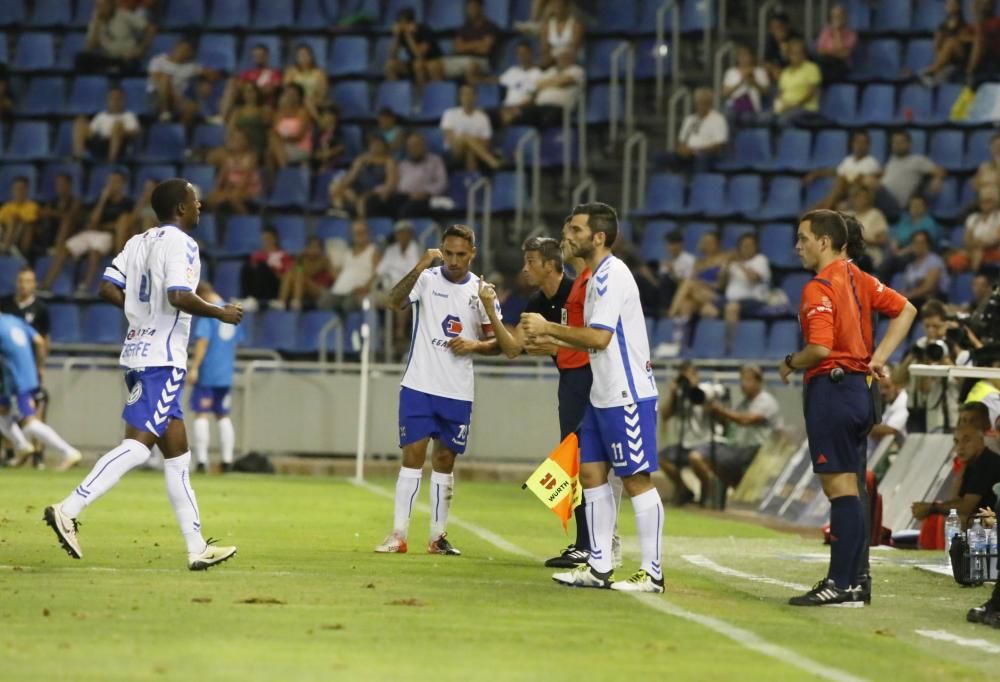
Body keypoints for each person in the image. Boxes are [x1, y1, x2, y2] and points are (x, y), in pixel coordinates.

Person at [44, 178, 243, 570]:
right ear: (181, 209)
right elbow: (178, 296)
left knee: (178, 457)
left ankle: (196, 546)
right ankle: (68, 508)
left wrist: (139, 317)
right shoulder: (183, 243)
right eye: (195, 200)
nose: (200, 206)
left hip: (137, 351)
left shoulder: (137, 241)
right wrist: (222, 312)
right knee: (137, 446)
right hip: (163, 358)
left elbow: (107, 287)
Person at [521, 202, 664, 594]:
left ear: (598, 237)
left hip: (626, 392)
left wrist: (549, 328)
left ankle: (652, 572)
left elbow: (599, 338)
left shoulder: (612, 276)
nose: (569, 236)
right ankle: (598, 565)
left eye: (577, 230)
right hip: (601, 394)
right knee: (591, 475)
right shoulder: (596, 276)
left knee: (635, 479)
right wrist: (551, 338)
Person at [779, 209, 916, 606]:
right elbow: (906, 309)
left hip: (832, 389)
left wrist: (789, 362)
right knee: (852, 486)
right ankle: (857, 579)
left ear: (824, 242)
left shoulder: (819, 286)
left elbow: (819, 348)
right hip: (860, 390)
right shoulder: (861, 278)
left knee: (840, 489)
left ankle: (840, 583)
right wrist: (879, 358)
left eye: (803, 238)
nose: (798, 246)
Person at [374, 224, 500, 556]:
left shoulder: (482, 291)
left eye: (461, 254)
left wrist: (474, 344)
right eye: (449, 253)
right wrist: (419, 266)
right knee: (412, 457)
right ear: (441, 250)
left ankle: (438, 536)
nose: (454, 261)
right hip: (419, 384)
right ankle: (399, 533)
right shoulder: (427, 280)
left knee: (444, 461)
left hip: (457, 390)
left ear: (473, 253)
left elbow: (500, 343)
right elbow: (393, 301)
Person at [479, 236, 596, 568]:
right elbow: (514, 348)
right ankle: (587, 543)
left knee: (588, 462)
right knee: (572, 460)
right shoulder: (534, 302)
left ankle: (592, 544)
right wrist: (491, 310)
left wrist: (558, 345)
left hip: (593, 380)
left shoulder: (578, 293)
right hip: (570, 383)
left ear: (549, 264)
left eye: (531, 261)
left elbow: (597, 340)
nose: (524, 268)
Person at [0, 312, 81, 470]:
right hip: (26, 374)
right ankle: (22, 446)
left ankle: (69, 452)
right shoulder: (13, 320)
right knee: (2, 411)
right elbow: (39, 340)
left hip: (16, 379)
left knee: (29, 423)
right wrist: (39, 366)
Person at [0, 268, 56, 469]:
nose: (24, 285)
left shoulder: (40, 309)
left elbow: (44, 339)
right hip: (6, 369)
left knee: (32, 410)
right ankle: (10, 452)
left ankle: (37, 454)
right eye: (21, 280)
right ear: (17, 282)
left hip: (28, 369)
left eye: (28, 281)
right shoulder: (5, 304)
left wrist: (41, 365)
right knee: (5, 408)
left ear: (34, 284)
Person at [44, 171, 133, 296]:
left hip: (108, 236)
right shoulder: (100, 200)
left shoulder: (127, 203)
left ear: (122, 185)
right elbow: (93, 222)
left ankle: (84, 288)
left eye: (115, 182)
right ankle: (46, 285)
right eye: (110, 182)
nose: (112, 185)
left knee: (94, 252)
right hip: (91, 233)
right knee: (64, 249)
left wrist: (104, 226)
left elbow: (122, 225)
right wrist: (103, 200)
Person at [188, 281, 243, 474]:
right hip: (225, 374)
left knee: (201, 414)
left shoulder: (209, 313)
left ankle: (202, 461)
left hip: (208, 373)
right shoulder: (233, 311)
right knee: (223, 416)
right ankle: (227, 460)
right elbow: (236, 344)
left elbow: (202, 343)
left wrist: (194, 368)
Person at [704, 365, 783, 489]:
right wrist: (714, 411)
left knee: (722, 458)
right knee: (711, 454)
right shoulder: (744, 403)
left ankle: (738, 487)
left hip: (761, 448)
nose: (743, 384)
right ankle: (737, 487)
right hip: (742, 448)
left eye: (748, 380)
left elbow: (745, 420)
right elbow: (731, 422)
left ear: (759, 382)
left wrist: (720, 409)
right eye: (741, 380)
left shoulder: (766, 400)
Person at [912, 423, 1000, 530]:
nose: (960, 447)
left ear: (981, 441)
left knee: (961, 520)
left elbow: (966, 508)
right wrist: (961, 472)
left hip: (995, 522)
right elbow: (956, 500)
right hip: (990, 520)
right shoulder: (972, 464)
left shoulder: (987, 462)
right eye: (956, 442)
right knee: (950, 517)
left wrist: (932, 508)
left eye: (966, 440)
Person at [658, 361, 723, 506]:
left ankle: (707, 492)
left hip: (705, 442)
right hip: (685, 444)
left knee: (695, 458)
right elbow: (665, 415)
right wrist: (673, 394)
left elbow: (709, 404)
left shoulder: (706, 389)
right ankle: (684, 490)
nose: (688, 378)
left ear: (697, 375)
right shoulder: (680, 394)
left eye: (692, 374)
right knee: (661, 458)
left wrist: (694, 388)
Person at [369, 133, 447, 219]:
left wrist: (427, 192)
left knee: (406, 210)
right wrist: (379, 190)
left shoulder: (435, 161)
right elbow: (394, 184)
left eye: (417, 144)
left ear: (424, 145)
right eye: (411, 146)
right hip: (402, 196)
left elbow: (442, 182)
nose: (414, 148)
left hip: (424, 198)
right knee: (375, 203)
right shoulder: (403, 164)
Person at [875, 131, 945, 223]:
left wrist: (937, 179)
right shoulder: (892, 160)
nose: (897, 145)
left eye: (901, 142)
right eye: (895, 142)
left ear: (909, 144)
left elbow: (940, 170)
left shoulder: (917, 160)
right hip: (881, 199)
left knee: (869, 183)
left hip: (896, 204)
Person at [805, 130, 881, 211]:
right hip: (839, 194)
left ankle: (824, 209)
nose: (859, 145)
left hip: (855, 195)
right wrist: (816, 174)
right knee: (837, 184)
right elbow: (836, 172)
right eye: (857, 142)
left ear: (868, 145)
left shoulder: (872, 162)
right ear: (852, 143)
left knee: (841, 181)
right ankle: (812, 213)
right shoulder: (848, 160)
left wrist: (846, 180)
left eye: (863, 143)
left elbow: (866, 182)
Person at [75, 0, 155, 75]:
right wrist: (97, 25)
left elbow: (150, 29)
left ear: (111, 4)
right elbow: (90, 47)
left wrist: (141, 49)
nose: (100, 8)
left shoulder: (123, 14)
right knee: (82, 59)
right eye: (98, 6)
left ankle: (114, 73)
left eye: (103, 5)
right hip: (107, 57)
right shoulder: (96, 19)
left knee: (131, 64)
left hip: (125, 57)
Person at [327, 135, 398, 218]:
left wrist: (375, 193)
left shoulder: (389, 162)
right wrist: (341, 187)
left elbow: (391, 184)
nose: (375, 147)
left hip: (374, 193)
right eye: (373, 144)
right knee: (337, 189)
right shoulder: (361, 159)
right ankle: (339, 214)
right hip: (358, 190)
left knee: (361, 201)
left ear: (384, 147)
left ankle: (361, 222)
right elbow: (351, 177)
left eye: (378, 145)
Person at [320, 220, 380, 316]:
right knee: (323, 301)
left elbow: (377, 274)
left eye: (362, 232)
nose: (359, 235)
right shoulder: (347, 253)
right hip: (338, 291)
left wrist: (366, 287)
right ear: (352, 235)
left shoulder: (373, 251)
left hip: (356, 293)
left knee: (347, 305)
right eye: (356, 233)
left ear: (368, 233)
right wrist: (329, 265)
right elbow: (338, 276)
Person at [667, 87, 729, 174]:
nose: (700, 106)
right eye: (698, 103)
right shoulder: (689, 119)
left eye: (704, 103)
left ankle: (697, 185)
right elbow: (681, 141)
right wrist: (681, 149)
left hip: (708, 154)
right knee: (664, 158)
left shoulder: (718, 119)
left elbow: (719, 145)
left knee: (701, 158)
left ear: (709, 104)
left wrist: (695, 150)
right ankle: (671, 185)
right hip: (689, 153)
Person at [72, 87, 140, 163]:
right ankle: (78, 157)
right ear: (107, 100)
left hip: (119, 145)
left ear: (123, 100)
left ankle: (111, 161)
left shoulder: (129, 115)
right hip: (101, 144)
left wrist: (118, 130)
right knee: (80, 121)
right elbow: (92, 132)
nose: (115, 101)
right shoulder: (101, 116)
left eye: (118, 98)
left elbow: (135, 132)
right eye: (112, 98)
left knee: (117, 124)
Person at [147, 38, 207, 125]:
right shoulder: (158, 60)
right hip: (156, 96)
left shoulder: (191, 67)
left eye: (187, 50)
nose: (182, 52)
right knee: (165, 78)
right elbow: (156, 79)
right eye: (181, 48)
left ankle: (181, 133)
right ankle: (165, 111)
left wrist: (206, 83)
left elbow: (211, 74)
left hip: (178, 99)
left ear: (190, 54)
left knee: (192, 107)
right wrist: (177, 98)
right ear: (175, 47)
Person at [440, 85, 500, 171]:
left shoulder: (482, 117)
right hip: (454, 151)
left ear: (475, 96)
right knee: (465, 137)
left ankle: (472, 179)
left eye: (469, 94)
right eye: (464, 94)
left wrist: (470, 144)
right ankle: (490, 160)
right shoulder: (449, 114)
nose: (467, 97)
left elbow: (486, 143)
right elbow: (450, 140)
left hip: (476, 153)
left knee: (470, 151)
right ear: (460, 97)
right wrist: (468, 140)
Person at [204, 129, 263, 215]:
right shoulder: (227, 158)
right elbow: (222, 177)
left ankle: (246, 220)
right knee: (212, 198)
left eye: (238, 139)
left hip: (248, 187)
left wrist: (230, 192)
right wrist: (217, 191)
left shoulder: (251, 156)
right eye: (233, 139)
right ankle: (217, 223)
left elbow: (246, 177)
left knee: (234, 198)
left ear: (245, 142)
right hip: (231, 188)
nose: (234, 141)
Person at [441, 0, 501, 81]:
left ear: (481, 8)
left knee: (471, 66)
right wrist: (478, 43)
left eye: (473, 7)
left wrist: (465, 45)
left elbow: (484, 50)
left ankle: (471, 93)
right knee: (435, 66)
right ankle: (440, 92)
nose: (471, 10)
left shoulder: (491, 27)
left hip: (482, 61)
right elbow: (457, 48)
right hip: (461, 59)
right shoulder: (463, 27)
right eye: (469, 8)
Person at [721, 232, 771, 328]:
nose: (746, 248)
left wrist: (740, 263)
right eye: (743, 245)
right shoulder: (732, 263)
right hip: (730, 299)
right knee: (707, 309)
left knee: (731, 308)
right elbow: (721, 285)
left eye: (749, 245)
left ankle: (729, 342)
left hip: (753, 300)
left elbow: (754, 278)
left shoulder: (760, 260)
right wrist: (726, 265)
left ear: (756, 247)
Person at [384, 7, 444, 86]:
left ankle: (422, 95)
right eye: (400, 23)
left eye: (405, 23)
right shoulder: (402, 34)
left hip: (432, 61)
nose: (403, 27)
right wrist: (396, 37)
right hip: (414, 62)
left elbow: (419, 55)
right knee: (389, 65)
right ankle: (395, 94)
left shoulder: (425, 30)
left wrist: (409, 37)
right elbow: (392, 55)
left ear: (412, 23)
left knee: (418, 65)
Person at [219, 43, 282, 116]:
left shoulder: (274, 73)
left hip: (264, 103)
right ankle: (223, 117)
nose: (258, 57)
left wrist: (251, 88)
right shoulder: (247, 73)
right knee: (231, 83)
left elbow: (270, 89)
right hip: (247, 101)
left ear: (267, 56)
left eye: (261, 55)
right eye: (256, 55)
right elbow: (239, 87)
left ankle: (225, 116)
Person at [949, 186, 1000, 273]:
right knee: (955, 260)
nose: (985, 204)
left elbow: (996, 239)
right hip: (974, 250)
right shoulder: (973, 218)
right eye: (982, 201)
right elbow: (967, 240)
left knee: (979, 254)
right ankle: (973, 278)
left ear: (996, 202)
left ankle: (977, 273)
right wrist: (977, 246)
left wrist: (981, 246)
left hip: (994, 251)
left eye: (988, 201)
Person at [275, 236, 335, 311]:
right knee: (290, 274)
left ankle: (296, 302)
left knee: (300, 275)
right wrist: (299, 259)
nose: (313, 249)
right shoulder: (302, 259)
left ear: (321, 249)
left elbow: (310, 272)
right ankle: (281, 302)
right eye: (310, 246)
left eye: (316, 247)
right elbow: (293, 271)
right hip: (303, 288)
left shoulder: (324, 260)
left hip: (319, 291)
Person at [773, 38, 822, 126]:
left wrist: (792, 106)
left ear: (804, 54)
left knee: (783, 120)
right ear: (789, 55)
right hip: (787, 107)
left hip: (806, 108)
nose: (797, 56)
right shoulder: (785, 72)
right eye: (793, 53)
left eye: (800, 53)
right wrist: (779, 105)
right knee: (766, 118)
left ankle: (790, 139)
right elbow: (780, 93)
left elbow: (810, 94)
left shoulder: (811, 68)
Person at [920, 0, 971, 85]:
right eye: (948, 4)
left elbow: (966, 40)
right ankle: (936, 71)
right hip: (945, 60)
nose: (950, 6)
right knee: (944, 44)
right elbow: (936, 47)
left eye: (953, 3)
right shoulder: (942, 27)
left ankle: (932, 71)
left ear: (958, 6)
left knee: (951, 43)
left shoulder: (964, 25)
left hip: (959, 59)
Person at [241, 227, 292, 309]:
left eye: (268, 239)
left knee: (263, 266)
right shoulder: (257, 254)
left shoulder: (283, 255)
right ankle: (247, 298)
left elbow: (288, 275)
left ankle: (255, 299)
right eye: (263, 239)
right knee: (246, 266)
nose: (265, 242)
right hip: (260, 284)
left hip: (275, 286)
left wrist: (272, 269)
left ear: (275, 239)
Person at [897, 230, 949, 310]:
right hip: (913, 299)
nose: (918, 246)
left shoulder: (934, 261)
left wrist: (908, 295)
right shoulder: (910, 266)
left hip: (933, 300)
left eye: (922, 242)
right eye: (915, 242)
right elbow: (905, 287)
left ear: (928, 244)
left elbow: (929, 287)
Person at [495, 41, 542, 126]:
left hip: (523, 108)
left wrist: (518, 107)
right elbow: (496, 81)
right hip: (506, 107)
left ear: (530, 53)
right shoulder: (513, 71)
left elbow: (534, 98)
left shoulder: (537, 73)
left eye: (524, 53)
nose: (522, 56)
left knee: (506, 118)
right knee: (484, 115)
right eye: (519, 53)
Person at [267, 83, 313, 170]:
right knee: (269, 151)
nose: (290, 97)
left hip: (300, 147)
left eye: (293, 94)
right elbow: (274, 131)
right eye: (288, 94)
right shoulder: (279, 113)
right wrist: (280, 139)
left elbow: (299, 136)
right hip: (282, 147)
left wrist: (282, 139)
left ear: (299, 97)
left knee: (273, 145)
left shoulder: (303, 113)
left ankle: (284, 172)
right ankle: (279, 175)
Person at [721, 45, 770, 122]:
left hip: (751, 106)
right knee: (727, 114)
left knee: (746, 117)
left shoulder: (760, 72)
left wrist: (754, 82)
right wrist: (741, 82)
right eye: (741, 55)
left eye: (746, 55)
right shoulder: (731, 72)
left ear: (751, 56)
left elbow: (766, 92)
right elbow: (725, 93)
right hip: (733, 105)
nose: (743, 58)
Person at [866, 366, 908, 456]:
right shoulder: (890, 402)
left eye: (887, 387)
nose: (883, 392)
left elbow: (891, 429)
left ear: (898, 385)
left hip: (900, 455)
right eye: (881, 388)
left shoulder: (904, 402)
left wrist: (864, 427)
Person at [814, 4, 858, 83]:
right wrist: (834, 52)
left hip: (841, 65)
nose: (837, 18)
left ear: (845, 17)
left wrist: (837, 32)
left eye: (840, 15)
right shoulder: (825, 32)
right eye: (834, 16)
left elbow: (843, 55)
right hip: (826, 64)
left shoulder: (851, 34)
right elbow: (819, 51)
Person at [284, 43, 328, 116]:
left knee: (308, 101)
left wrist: (310, 99)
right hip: (294, 99)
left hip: (314, 100)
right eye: (300, 56)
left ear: (311, 56)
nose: (303, 58)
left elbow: (322, 92)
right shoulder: (290, 72)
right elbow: (286, 89)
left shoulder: (320, 73)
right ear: (296, 58)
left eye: (306, 55)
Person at [0, 176, 39, 256]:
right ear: (12, 190)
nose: (19, 191)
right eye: (16, 189)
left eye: (22, 189)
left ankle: (6, 250)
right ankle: (6, 247)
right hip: (4, 235)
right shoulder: (6, 206)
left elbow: (29, 223)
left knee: (14, 219)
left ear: (27, 190)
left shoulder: (32, 206)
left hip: (21, 237)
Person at [540, 0, 583, 67]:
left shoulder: (576, 25)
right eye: (555, 6)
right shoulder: (546, 27)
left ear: (567, 7)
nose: (558, 8)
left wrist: (562, 59)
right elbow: (545, 51)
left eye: (560, 6)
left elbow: (574, 49)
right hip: (552, 64)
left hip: (572, 63)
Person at [966, 0, 1000, 83]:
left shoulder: (997, 22)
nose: (982, 5)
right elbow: (964, 37)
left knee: (979, 39)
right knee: (952, 42)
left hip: (993, 61)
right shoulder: (973, 25)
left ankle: (969, 73)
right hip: (977, 59)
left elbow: (982, 39)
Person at [763, 11, 800, 81]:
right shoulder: (771, 40)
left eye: (779, 27)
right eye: (773, 28)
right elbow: (766, 60)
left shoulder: (796, 39)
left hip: (794, 73)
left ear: (787, 26)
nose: (776, 30)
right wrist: (773, 68)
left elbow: (798, 61)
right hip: (777, 74)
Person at [312, 105, 346, 173]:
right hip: (316, 164)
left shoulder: (337, 133)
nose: (329, 124)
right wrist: (320, 154)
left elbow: (341, 148)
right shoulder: (315, 133)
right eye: (326, 120)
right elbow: (312, 152)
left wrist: (329, 152)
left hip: (332, 163)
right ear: (321, 119)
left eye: (332, 121)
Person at [973, 132, 1000, 200]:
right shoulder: (984, 166)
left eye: (999, 146)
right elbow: (976, 186)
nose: (997, 149)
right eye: (995, 146)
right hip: (986, 200)